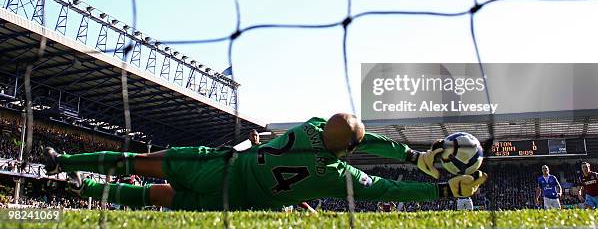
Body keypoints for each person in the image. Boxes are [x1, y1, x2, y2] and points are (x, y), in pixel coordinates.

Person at [43, 113, 487, 211]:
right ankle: (78, 188)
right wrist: (441, 188)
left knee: (138, 162)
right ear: (350, 152)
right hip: (234, 199)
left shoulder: (311, 126)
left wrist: (411, 153)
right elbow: (388, 189)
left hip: (221, 165)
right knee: (151, 197)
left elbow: (360, 133)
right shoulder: (335, 175)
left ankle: (64, 162)